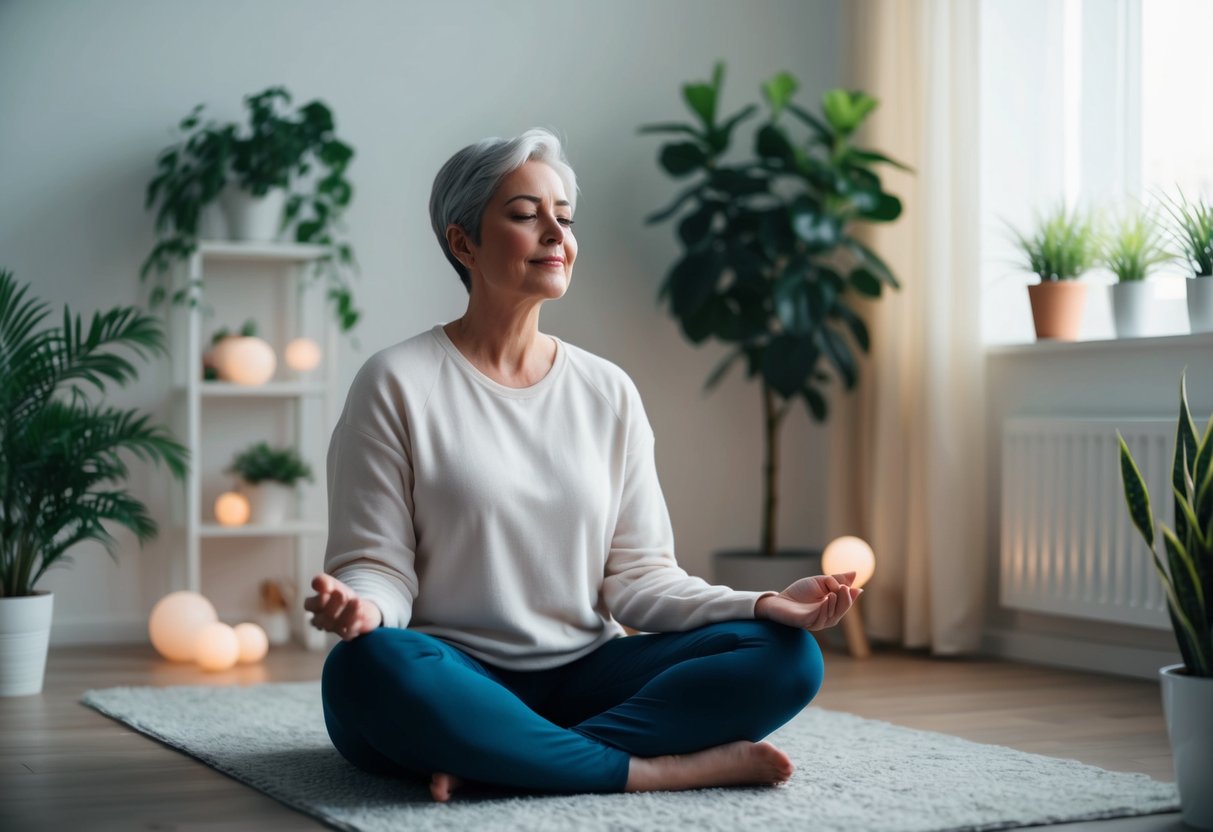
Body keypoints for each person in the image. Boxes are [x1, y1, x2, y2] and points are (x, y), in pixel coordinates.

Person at [305, 127, 861, 803]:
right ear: (462, 243)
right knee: (367, 670)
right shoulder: (394, 381)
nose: (554, 233)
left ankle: (502, 758)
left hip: (584, 674)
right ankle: (649, 769)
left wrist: (764, 603)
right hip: (448, 673)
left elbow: (639, 578)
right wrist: (363, 610)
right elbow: (380, 567)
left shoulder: (606, 390)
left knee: (784, 656)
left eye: (563, 218)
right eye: (523, 214)